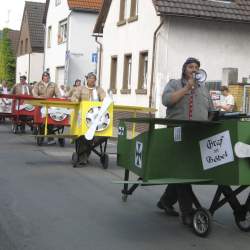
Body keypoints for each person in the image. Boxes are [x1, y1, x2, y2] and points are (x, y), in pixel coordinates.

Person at [158, 57, 214, 226]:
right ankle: (187, 212)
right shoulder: (174, 84)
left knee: (185, 171)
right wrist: (186, 88)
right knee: (184, 172)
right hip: (177, 133)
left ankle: (166, 201)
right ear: (184, 69)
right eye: (191, 67)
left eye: (197, 67)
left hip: (197, 134)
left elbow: (211, 110)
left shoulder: (204, 89)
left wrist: (210, 121)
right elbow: (167, 101)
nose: (194, 69)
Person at [71, 72, 106, 165]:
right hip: (83, 116)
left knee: (100, 134)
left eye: (94, 78)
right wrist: (76, 101)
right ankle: (83, 157)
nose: (92, 80)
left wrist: (105, 101)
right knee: (83, 136)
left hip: (95, 117)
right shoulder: (80, 88)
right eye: (90, 78)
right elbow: (74, 97)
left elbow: (104, 97)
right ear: (87, 79)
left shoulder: (99, 89)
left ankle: (86, 153)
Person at [32, 72, 61, 144]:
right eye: (44, 76)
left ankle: (50, 137)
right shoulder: (38, 84)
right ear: (42, 77)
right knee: (40, 120)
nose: (46, 77)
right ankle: (37, 128)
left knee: (51, 119)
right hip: (40, 103)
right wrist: (38, 97)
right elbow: (34, 93)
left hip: (50, 104)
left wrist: (59, 99)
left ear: (49, 77)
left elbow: (58, 94)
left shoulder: (53, 85)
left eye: (47, 76)